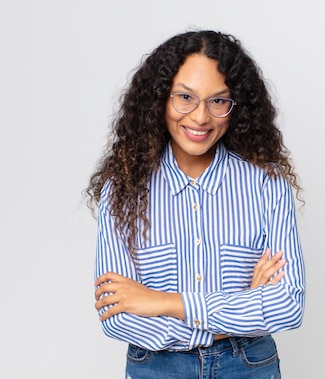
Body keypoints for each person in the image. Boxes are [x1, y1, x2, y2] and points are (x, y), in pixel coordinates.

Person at [87, 30, 305, 379]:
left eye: (218, 101)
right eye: (185, 97)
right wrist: (242, 309)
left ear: (236, 106)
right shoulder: (122, 190)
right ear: (159, 98)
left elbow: (288, 305)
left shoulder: (267, 182)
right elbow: (118, 316)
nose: (201, 117)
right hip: (157, 369)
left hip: (248, 367)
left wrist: (166, 302)